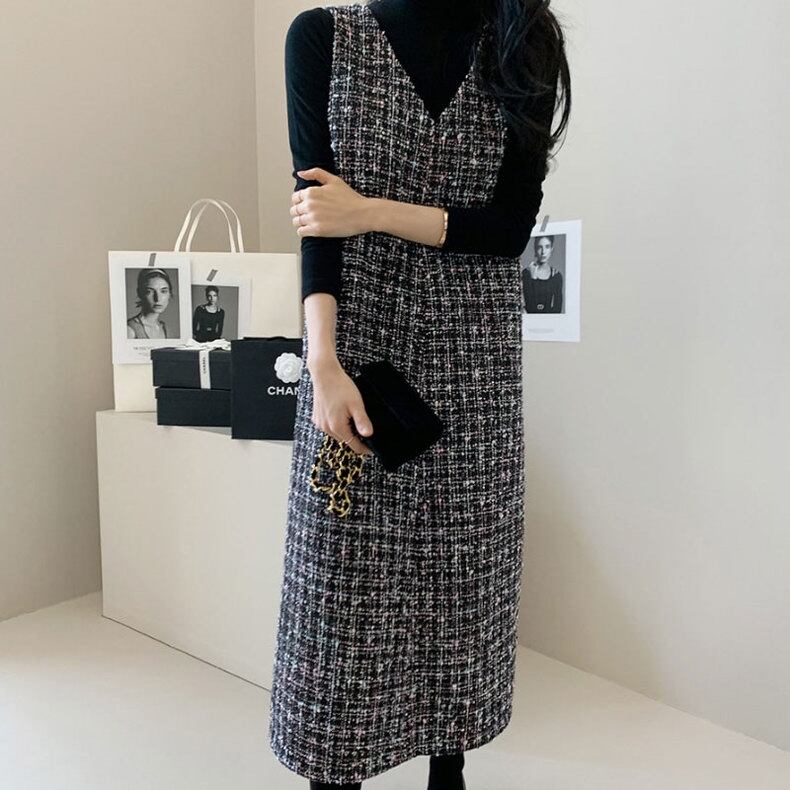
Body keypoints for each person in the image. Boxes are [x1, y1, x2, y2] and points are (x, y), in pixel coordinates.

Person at [270, 1, 571, 788]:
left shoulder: (520, 43)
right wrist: (322, 362)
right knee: (338, 585)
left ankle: (449, 765)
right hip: (353, 354)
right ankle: (333, 767)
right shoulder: (322, 37)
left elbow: (508, 228)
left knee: (462, 581)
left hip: (475, 360)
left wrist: (368, 211)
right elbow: (316, 217)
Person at [126, 267, 174, 339]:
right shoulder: (130, 330)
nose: (157, 298)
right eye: (149, 291)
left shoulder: (166, 329)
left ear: (169, 294)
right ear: (140, 293)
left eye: (163, 291)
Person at [522, 234, 564, 312]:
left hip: (549, 319)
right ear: (535, 249)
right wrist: (533, 279)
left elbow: (558, 309)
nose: (543, 252)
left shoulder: (556, 276)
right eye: (539, 247)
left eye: (547, 247)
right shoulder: (526, 273)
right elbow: (530, 306)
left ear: (551, 249)